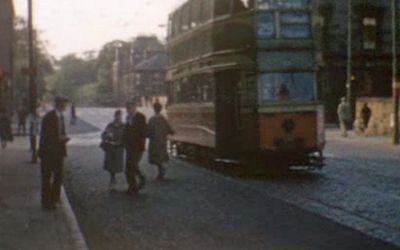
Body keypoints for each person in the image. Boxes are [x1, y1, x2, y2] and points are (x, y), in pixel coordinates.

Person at [38, 96, 70, 210]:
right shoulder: (49, 117)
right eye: (64, 104)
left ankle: (54, 199)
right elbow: (47, 136)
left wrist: (63, 139)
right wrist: (62, 139)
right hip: (48, 152)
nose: (65, 106)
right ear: (59, 104)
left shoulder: (60, 116)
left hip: (58, 152)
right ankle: (47, 202)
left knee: (58, 177)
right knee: (47, 178)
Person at [123, 99, 147, 196]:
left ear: (134, 108)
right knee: (128, 167)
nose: (128, 110)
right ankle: (132, 187)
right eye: (127, 108)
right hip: (129, 146)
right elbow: (126, 132)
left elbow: (142, 131)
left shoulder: (141, 117)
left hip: (138, 146)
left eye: (130, 108)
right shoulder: (128, 118)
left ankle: (138, 182)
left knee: (132, 165)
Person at [147, 102, 174, 180]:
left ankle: (161, 172)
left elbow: (148, 130)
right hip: (162, 141)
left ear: (154, 109)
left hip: (154, 142)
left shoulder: (152, 119)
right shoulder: (163, 119)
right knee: (161, 157)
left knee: (156, 158)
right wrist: (171, 132)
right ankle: (161, 172)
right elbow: (169, 129)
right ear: (160, 109)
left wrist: (146, 134)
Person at [101, 110, 125, 190]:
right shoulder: (110, 125)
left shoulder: (123, 125)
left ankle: (113, 178)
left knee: (116, 164)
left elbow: (126, 136)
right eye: (117, 115)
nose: (118, 117)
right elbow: (104, 134)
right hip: (111, 146)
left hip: (118, 147)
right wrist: (107, 137)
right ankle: (112, 178)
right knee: (111, 164)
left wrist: (121, 142)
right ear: (114, 116)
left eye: (119, 115)